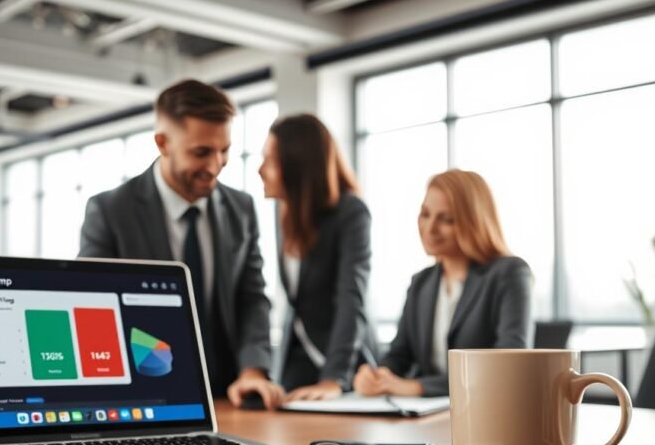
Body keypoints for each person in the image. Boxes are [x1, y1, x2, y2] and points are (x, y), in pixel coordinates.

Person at [79, 78, 279, 403]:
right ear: (163, 143)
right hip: (142, 394)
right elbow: (92, 308)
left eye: (224, 150)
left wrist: (253, 370)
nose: (215, 166)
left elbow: (251, 297)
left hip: (228, 392)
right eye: (201, 152)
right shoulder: (111, 210)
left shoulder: (241, 208)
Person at [231, 113, 376, 409]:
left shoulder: (350, 212)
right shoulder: (282, 210)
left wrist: (333, 379)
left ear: (299, 164)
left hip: (345, 362)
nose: (260, 170)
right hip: (297, 357)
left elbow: (351, 297)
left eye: (269, 160)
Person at [353, 169, 532, 397]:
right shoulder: (421, 283)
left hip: (487, 410)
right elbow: (400, 354)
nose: (430, 228)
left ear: (474, 222)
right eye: (425, 214)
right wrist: (377, 376)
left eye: (446, 219)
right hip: (427, 414)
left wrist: (419, 387)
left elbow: (509, 362)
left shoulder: (510, 273)